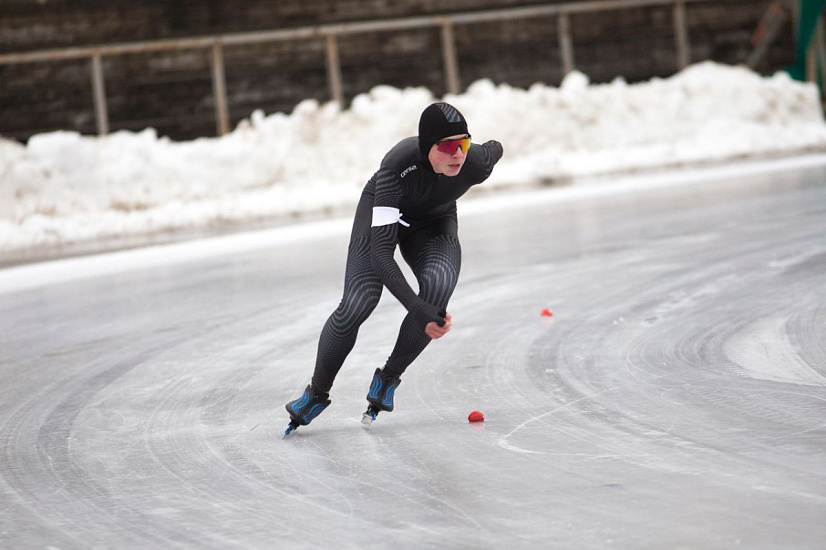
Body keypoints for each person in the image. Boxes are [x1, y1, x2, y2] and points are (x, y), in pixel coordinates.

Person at [285, 101, 504, 433]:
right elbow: (381, 254)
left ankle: (388, 378)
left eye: (463, 143)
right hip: (384, 215)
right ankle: (316, 393)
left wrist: (425, 307)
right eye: (447, 146)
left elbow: (495, 149)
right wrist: (415, 308)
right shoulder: (398, 167)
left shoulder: (475, 162)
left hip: (433, 224)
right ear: (425, 145)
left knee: (439, 287)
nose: (457, 154)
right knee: (360, 300)